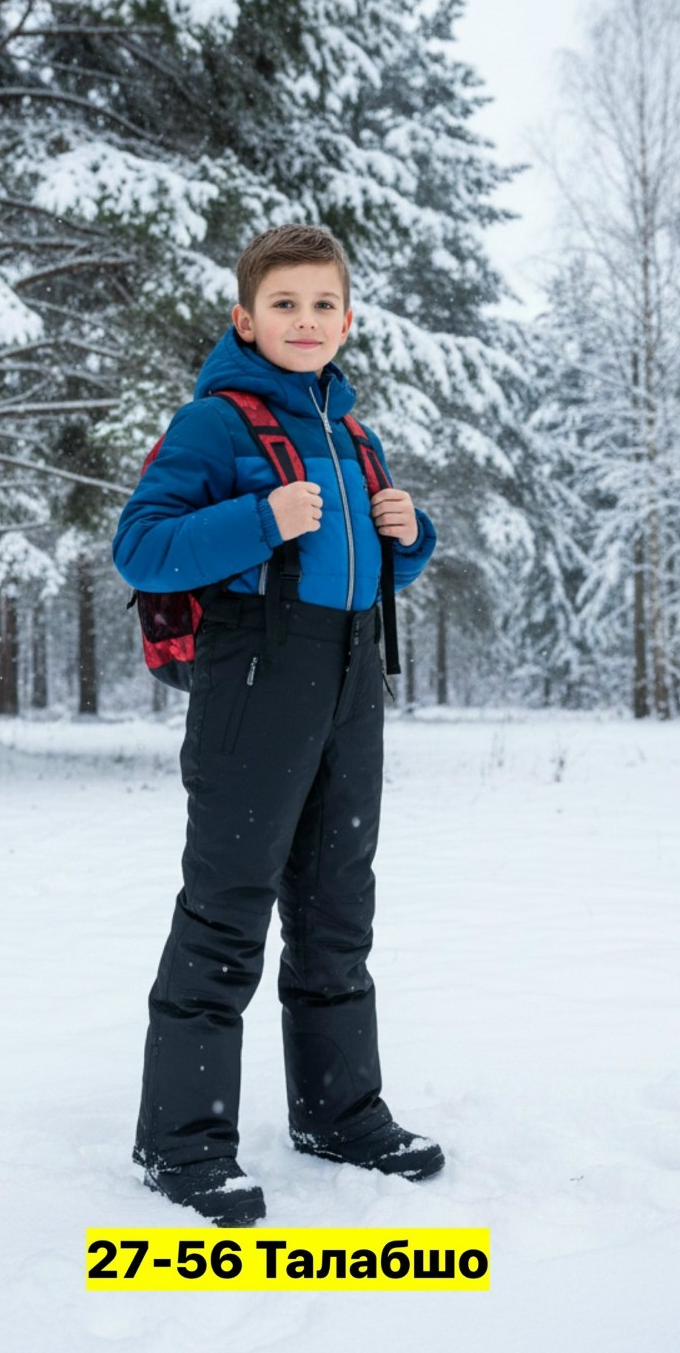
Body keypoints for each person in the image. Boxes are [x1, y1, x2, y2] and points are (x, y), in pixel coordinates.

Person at [112, 223, 442, 1227]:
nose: (307, 321)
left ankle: (341, 1113)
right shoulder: (214, 423)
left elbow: (371, 571)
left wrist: (411, 538)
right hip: (254, 680)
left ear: (348, 318)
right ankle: (183, 1141)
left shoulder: (352, 432)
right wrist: (262, 518)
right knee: (228, 906)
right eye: (286, 305)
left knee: (338, 905)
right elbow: (143, 547)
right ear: (245, 319)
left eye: (324, 304)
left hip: (348, 685)